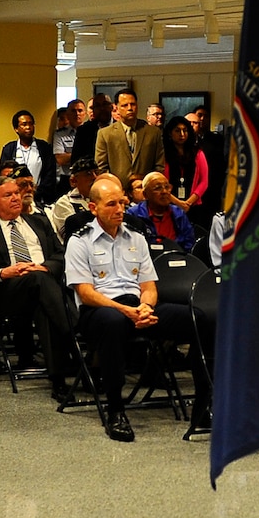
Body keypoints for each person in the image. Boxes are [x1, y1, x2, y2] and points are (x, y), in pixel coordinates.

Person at [65, 175, 160, 443]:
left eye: (122, 203)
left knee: (195, 317)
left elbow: (149, 285)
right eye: (111, 204)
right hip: (98, 311)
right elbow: (85, 293)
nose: (120, 210)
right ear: (93, 208)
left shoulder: (137, 237)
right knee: (114, 322)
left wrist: (145, 308)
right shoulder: (80, 241)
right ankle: (116, 410)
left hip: (136, 308)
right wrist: (126, 311)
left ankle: (207, 406)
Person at [0, 175, 72, 397]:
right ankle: (73, 328)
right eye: (8, 195)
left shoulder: (40, 222)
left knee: (44, 305)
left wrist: (45, 267)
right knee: (39, 282)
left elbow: (61, 255)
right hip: (7, 293)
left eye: (17, 193)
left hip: (43, 289)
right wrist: (4, 272)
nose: (16, 197)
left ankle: (58, 380)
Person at [94, 90, 164, 191]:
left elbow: (159, 166)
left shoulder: (153, 132)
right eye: (125, 105)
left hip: (146, 191)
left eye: (133, 104)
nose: (130, 108)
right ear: (116, 108)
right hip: (117, 191)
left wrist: (147, 183)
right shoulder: (105, 134)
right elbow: (101, 168)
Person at [159, 116, 211, 238]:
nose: (182, 134)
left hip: (194, 206)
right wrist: (178, 203)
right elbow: (161, 182)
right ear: (170, 133)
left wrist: (188, 202)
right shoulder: (163, 154)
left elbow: (204, 181)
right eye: (177, 131)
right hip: (169, 205)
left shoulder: (197, 152)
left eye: (185, 130)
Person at [126, 172, 196, 250]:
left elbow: (189, 243)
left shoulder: (179, 213)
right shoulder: (133, 214)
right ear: (145, 194)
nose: (164, 191)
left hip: (177, 258)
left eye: (167, 187)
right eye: (158, 188)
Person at [0, 109, 55, 201]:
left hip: (40, 196)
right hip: (15, 196)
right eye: (24, 124)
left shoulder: (44, 147)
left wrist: (35, 191)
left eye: (31, 124)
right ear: (16, 129)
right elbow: (3, 174)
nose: (28, 127)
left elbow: (50, 173)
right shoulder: (9, 148)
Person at [48, 158, 98, 239]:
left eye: (96, 172)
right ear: (73, 181)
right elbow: (70, 236)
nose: (95, 177)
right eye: (88, 173)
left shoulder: (104, 199)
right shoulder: (64, 203)